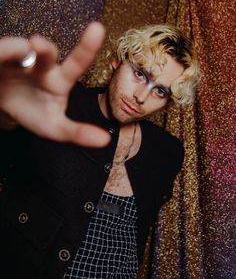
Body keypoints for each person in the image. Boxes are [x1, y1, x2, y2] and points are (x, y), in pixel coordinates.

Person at [0, 21, 199, 278]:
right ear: (117, 60)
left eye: (160, 90)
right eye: (140, 73)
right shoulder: (57, 106)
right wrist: (6, 114)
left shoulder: (167, 152)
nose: (141, 97)